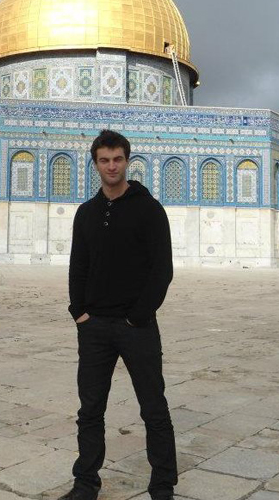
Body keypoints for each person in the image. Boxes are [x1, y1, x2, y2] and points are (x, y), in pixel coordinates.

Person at [58, 130, 177, 500]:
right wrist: (79, 312)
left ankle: (162, 487)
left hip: (136, 327)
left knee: (153, 408)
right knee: (90, 410)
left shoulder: (149, 209)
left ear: (127, 161)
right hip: (94, 327)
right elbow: (78, 266)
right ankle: (85, 485)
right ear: (95, 164)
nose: (111, 166)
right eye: (104, 160)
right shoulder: (86, 213)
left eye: (117, 159)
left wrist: (138, 316)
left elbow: (162, 269)